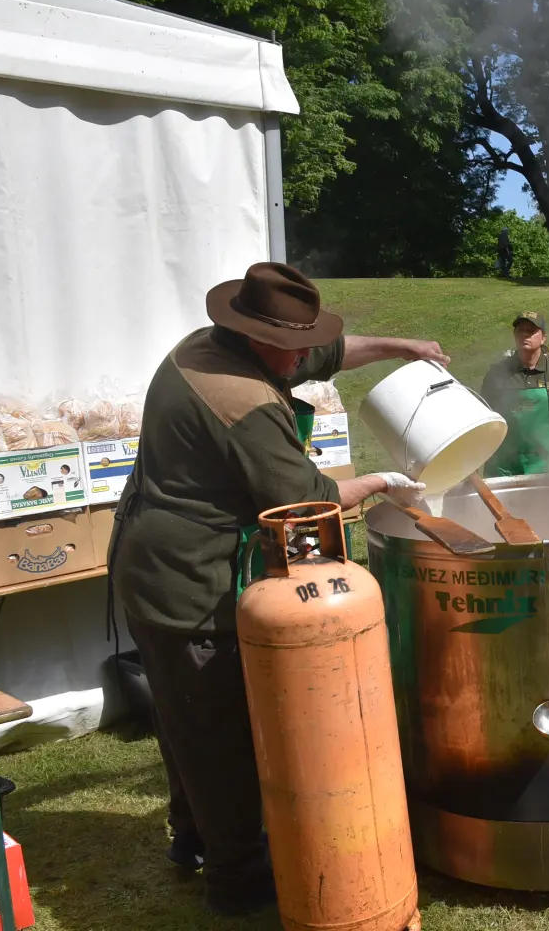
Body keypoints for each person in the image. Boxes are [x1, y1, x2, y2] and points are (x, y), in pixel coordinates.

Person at [111, 262, 443, 915]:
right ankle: (237, 883)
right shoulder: (242, 401)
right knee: (218, 737)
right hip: (188, 583)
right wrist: (382, 483)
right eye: (291, 349)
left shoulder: (209, 344)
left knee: (185, 724)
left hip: (147, 566)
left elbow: (327, 352)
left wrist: (405, 348)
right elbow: (309, 500)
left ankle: (192, 841)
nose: (301, 359)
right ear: (259, 339)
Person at [480, 311, 549, 475]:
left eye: (530, 331)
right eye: (520, 330)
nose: (524, 334)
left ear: (543, 338)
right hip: (506, 469)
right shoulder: (498, 373)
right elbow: (481, 418)